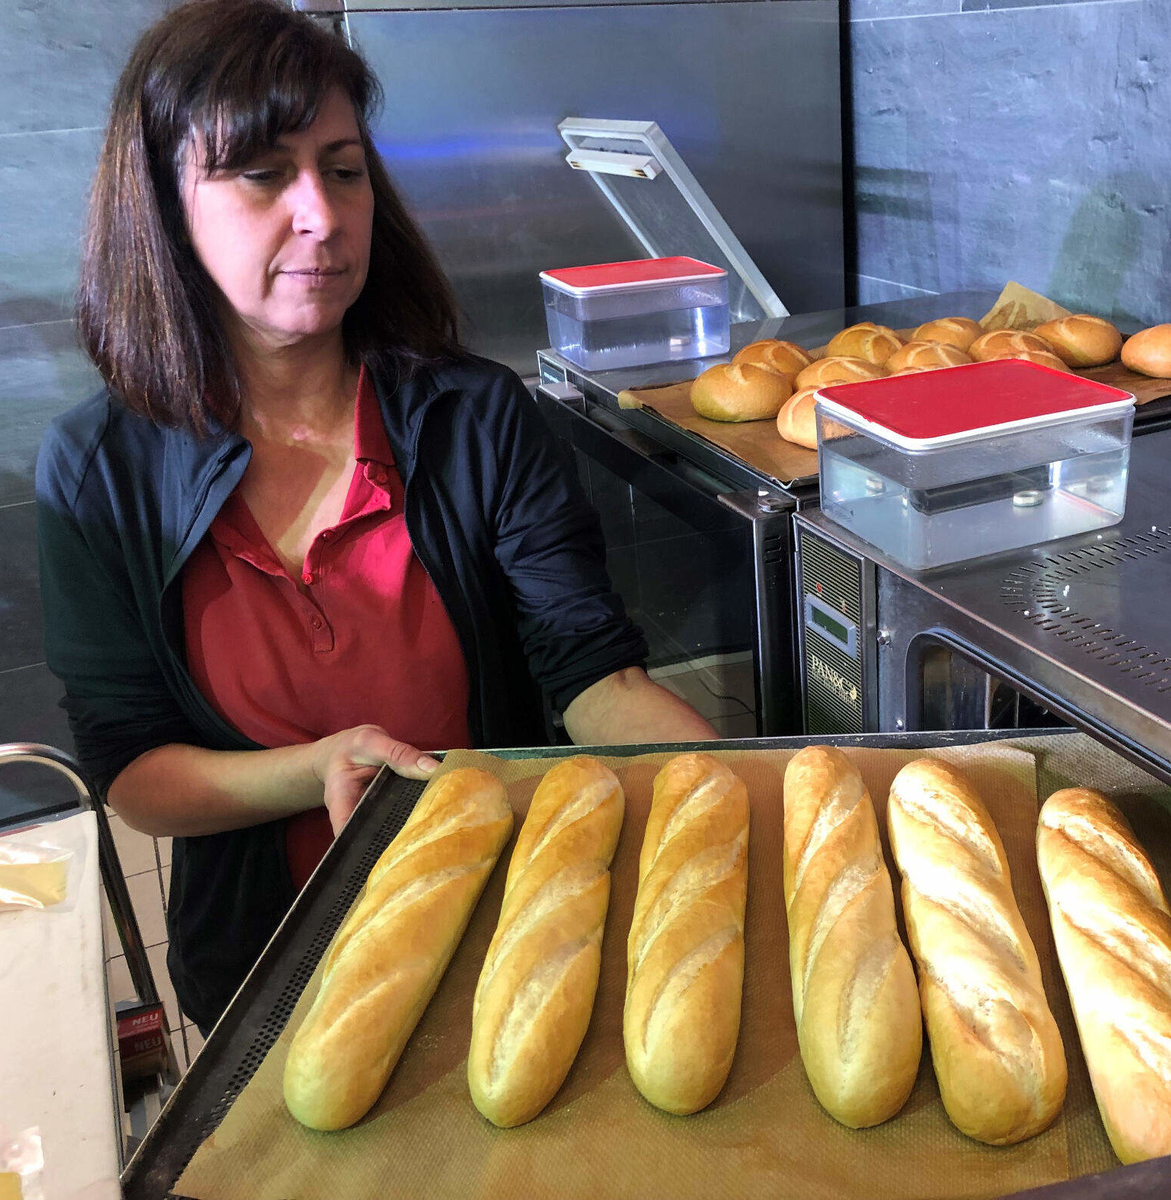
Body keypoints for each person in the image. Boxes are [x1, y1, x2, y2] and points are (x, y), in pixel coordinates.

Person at [37, 0, 716, 1031]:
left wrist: (725, 784)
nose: (321, 211)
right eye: (263, 172)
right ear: (165, 205)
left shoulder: (473, 417)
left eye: (344, 169)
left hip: (505, 932)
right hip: (268, 967)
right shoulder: (98, 472)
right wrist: (316, 771)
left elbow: (589, 673)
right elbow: (136, 774)